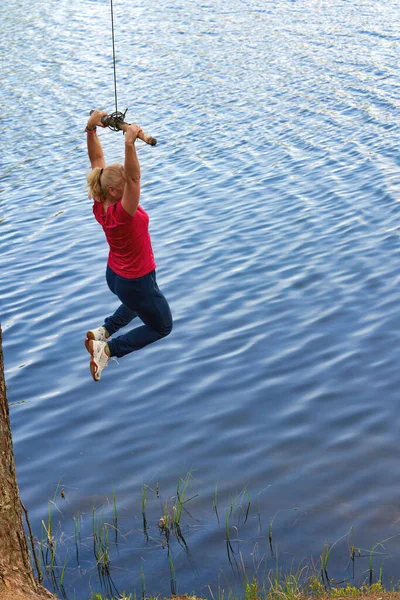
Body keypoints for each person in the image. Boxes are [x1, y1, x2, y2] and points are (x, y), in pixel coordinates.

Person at [84, 110, 173, 381]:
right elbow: (135, 179)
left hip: (116, 276)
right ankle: (108, 349)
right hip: (136, 280)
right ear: (114, 191)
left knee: (137, 303)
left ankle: (104, 331)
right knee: (161, 326)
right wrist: (129, 143)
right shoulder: (124, 213)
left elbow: (97, 160)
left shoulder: (100, 202)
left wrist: (91, 128)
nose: (129, 181)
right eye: (123, 182)